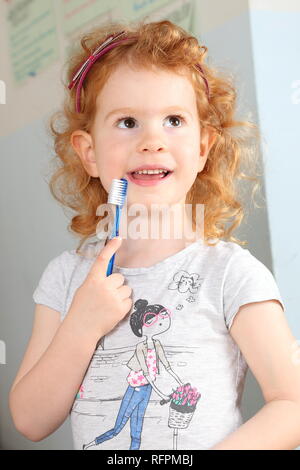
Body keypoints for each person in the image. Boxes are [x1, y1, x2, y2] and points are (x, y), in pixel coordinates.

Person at [8, 19, 300, 451]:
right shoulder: (66, 278)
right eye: (127, 121)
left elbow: (292, 403)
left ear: (203, 147)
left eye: (174, 120)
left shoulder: (231, 276)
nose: (152, 140)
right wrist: (81, 326)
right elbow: (30, 420)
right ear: (89, 152)